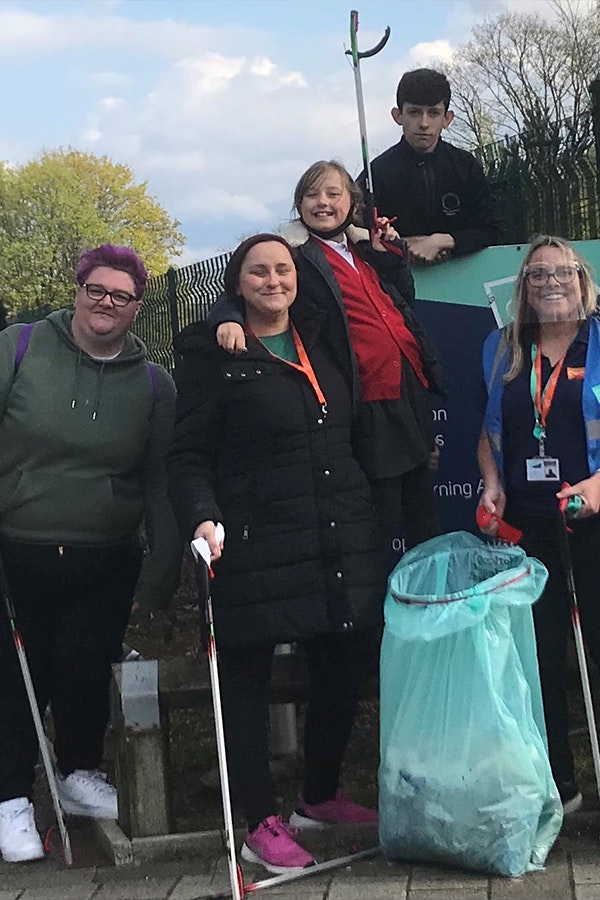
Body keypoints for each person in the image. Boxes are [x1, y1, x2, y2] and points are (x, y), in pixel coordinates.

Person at [167, 234, 382, 875]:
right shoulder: (213, 351)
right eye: (257, 271)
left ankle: (317, 796)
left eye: (283, 269)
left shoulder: (322, 338)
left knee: (344, 663)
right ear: (236, 284)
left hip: (335, 533)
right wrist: (203, 515)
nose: (274, 280)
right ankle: (257, 819)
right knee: (245, 682)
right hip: (254, 541)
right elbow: (188, 454)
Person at [0, 244, 181, 863]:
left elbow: (159, 481)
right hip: (16, 550)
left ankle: (79, 775)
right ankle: (10, 798)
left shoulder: (155, 385)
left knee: (81, 671)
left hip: (104, 558)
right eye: (96, 290)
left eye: (122, 295)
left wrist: (160, 572)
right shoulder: (20, 348)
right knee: (16, 679)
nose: (106, 303)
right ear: (77, 291)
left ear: (137, 307)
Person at [210, 160, 445, 555]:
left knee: (424, 516)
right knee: (381, 522)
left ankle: (433, 606)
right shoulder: (294, 254)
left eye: (333, 194)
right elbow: (240, 290)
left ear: (351, 203)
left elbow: (404, 297)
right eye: (311, 194)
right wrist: (228, 319)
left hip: (408, 390)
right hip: (366, 399)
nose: (322, 202)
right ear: (298, 203)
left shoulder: (365, 247)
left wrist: (390, 252)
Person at [477, 234, 600, 815]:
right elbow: (487, 433)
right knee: (541, 656)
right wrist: (493, 483)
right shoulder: (502, 350)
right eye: (538, 275)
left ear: (583, 282)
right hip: (528, 526)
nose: (552, 283)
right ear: (522, 290)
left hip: (594, 519)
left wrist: (596, 490)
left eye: (563, 273)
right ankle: (559, 784)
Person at [358, 68, 497, 266]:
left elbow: (490, 229)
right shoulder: (375, 174)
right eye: (414, 112)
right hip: (394, 284)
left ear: (447, 118)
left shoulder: (467, 167)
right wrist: (400, 245)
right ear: (398, 115)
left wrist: (445, 241)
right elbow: (356, 234)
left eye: (433, 113)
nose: (424, 123)